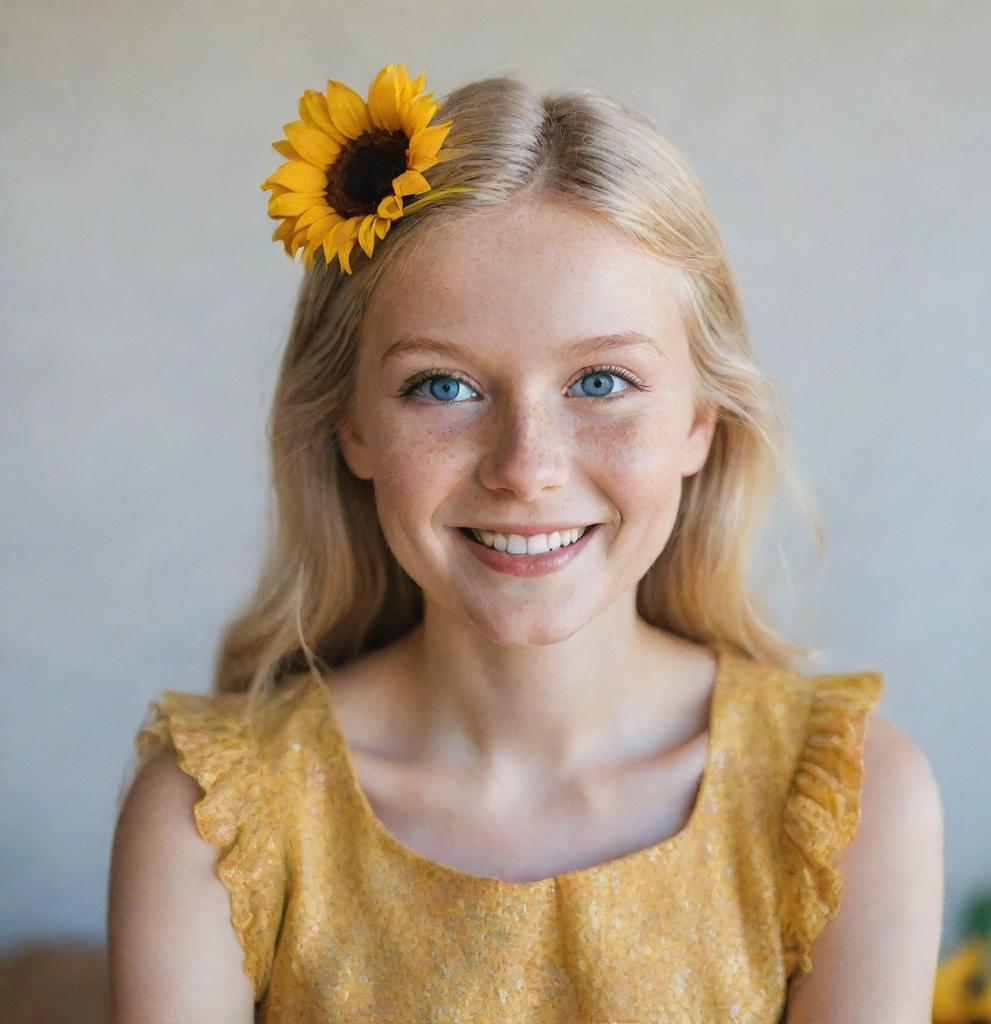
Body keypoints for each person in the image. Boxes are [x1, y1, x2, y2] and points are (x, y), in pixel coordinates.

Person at [106, 63, 944, 1023]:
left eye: (600, 383)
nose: (525, 467)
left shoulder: (856, 802)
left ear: (700, 424)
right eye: (444, 387)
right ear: (352, 430)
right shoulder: (207, 820)